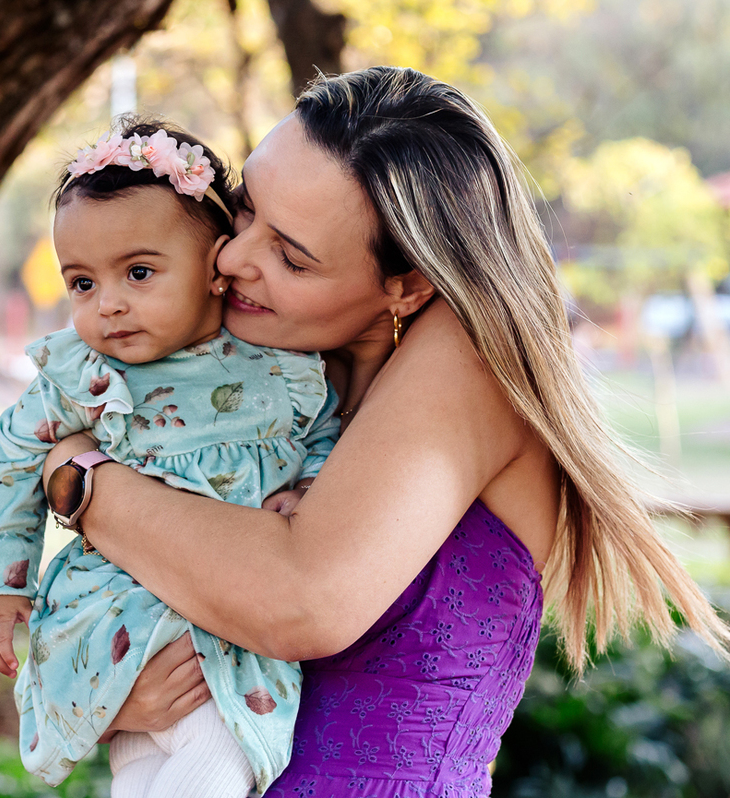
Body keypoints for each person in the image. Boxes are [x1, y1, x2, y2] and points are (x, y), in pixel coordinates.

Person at [41, 66, 730, 797]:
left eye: (290, 256)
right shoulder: (273, 377)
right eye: (245, 210)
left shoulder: (470, 360)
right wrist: (115, 699)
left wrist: (80, 481)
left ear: (407, 285)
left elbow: (301, 600)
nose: (232, 258)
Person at [0, 120, 341, 797]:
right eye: (82, 283)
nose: (108, 304)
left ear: (215, 267)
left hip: (220, 650)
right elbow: (14, 455)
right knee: (147, 774)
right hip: (110, 632)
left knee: (217, 762)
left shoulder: (278, 368)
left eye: (138, 273)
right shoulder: (83, 375)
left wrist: (308, 488)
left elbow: (324, 434)